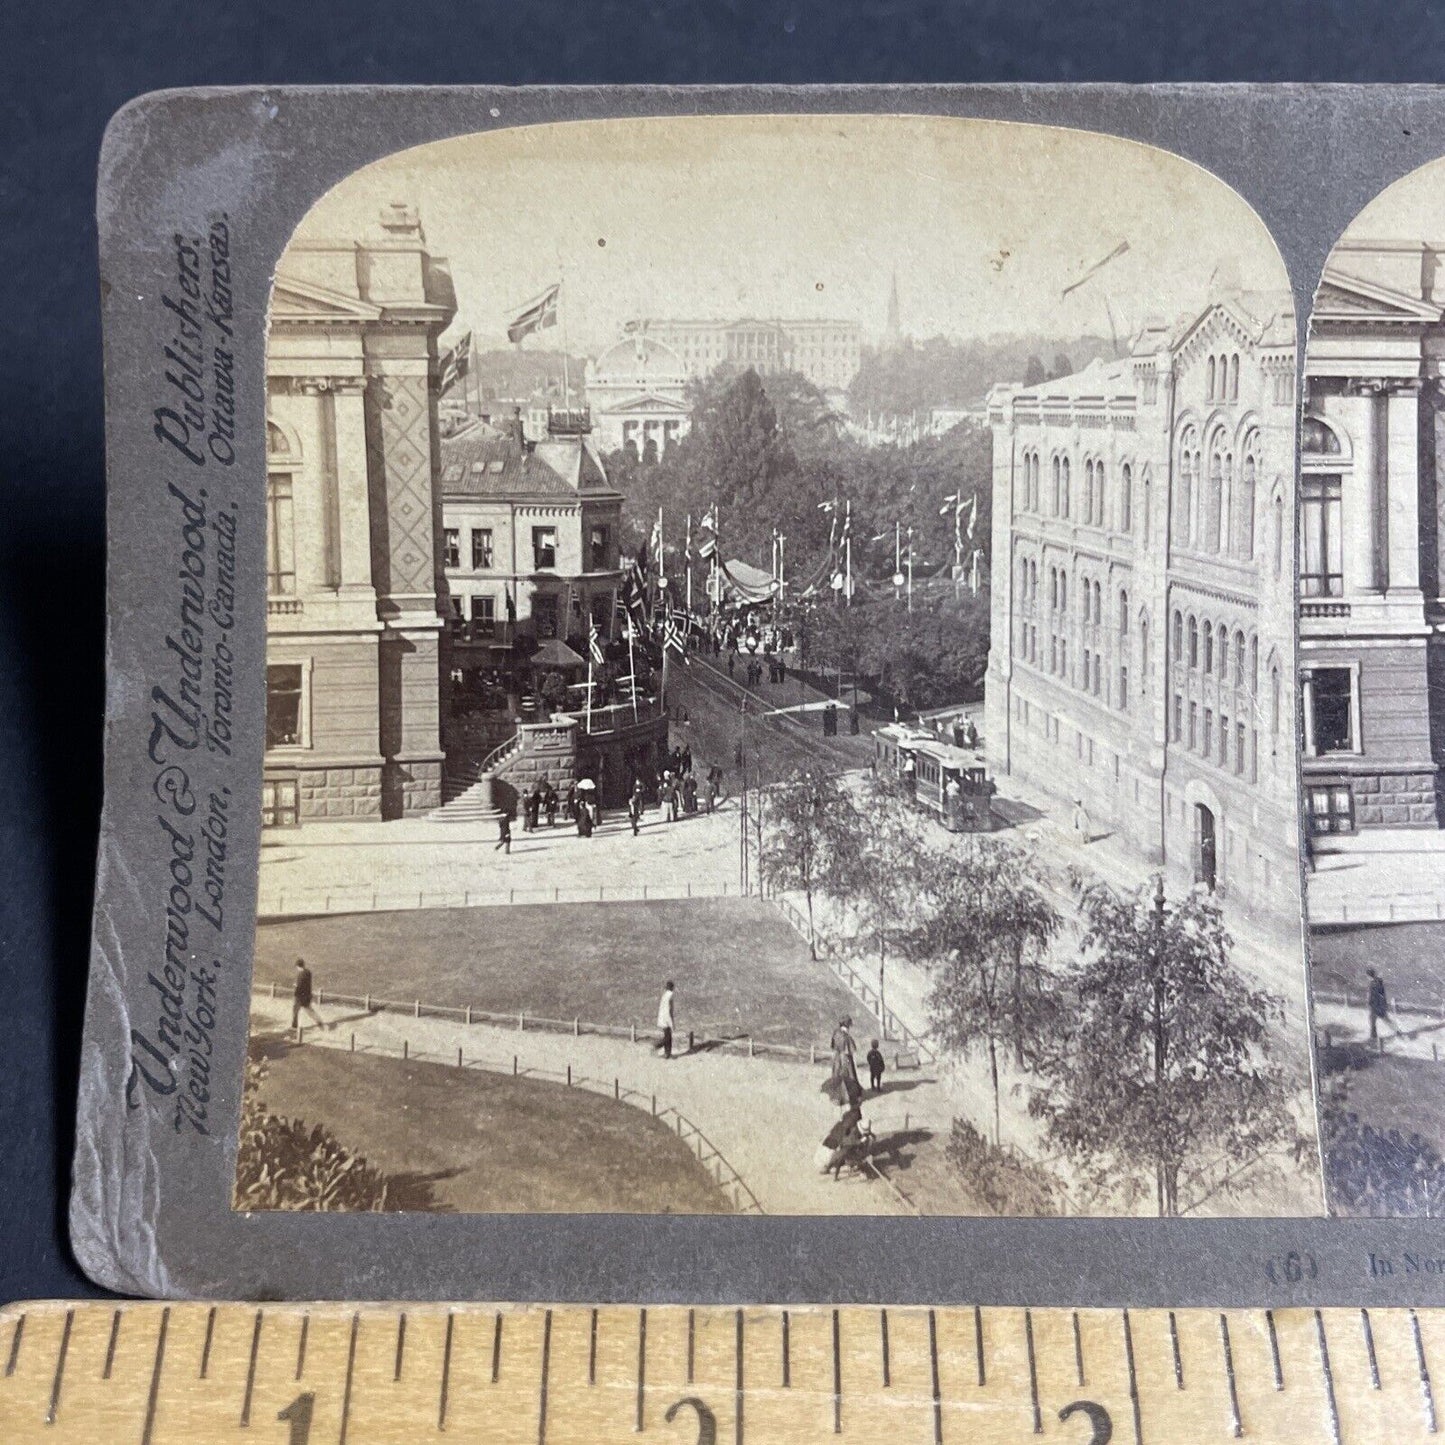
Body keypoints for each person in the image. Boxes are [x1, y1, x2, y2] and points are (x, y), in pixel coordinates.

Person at [1367, 968, 1405, 1045]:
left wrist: (1371, 1002)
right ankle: (1374, 1035)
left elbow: (1374, 995)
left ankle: (1397, 1031)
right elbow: (1379, 994)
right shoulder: (1377, 981)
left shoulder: (1374, 983)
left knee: (1383, 1019)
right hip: (1378, 1004)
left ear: (1369, 975)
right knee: (1376, 1020)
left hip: (1376, 1005)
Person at [291, 958, 327, 1034]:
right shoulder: (308, 972)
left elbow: (299, 986)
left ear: (298, 966)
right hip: (307, 995)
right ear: (303, 964)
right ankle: (319, 1022)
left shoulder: (300, 975)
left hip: (299, 996)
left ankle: (294, 1026)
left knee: (295, 1010)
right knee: (309, 1010)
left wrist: (295, 986)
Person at [657, 980, 676, 1060]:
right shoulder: (670, 995)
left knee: (667, 1035)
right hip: (666, 1017)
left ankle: (666, 1053)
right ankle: (665, 1052)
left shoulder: (664, 995)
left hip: (662, 1017)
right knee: (668, 1037)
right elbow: (669, 1009)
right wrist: (672, 1022)